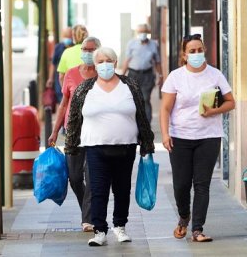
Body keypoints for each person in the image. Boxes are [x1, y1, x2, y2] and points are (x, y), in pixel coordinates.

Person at [65, 47, 155, 247]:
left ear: (115, 63)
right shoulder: (84, 89)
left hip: (126, 146)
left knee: (122, 190)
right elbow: (73, 119)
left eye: (109, 60)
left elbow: (141, 114)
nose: (105, 64)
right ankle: (99, 230)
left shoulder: (130, 85)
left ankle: (120, 226)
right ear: (95, 65)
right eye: (101, 61)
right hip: (95, 148)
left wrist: (147, 143)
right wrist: (71, 146)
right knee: (98, 190)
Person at [159, 34, 236, 243]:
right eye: (191, 51)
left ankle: (197, 229)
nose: (196, 54)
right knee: (181, 185)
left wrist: (213, 111)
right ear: (184, 55)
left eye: (199, 50)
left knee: (202, 184)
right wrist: (165, 134)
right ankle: (184, 216)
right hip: (180, 136)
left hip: (208, 137)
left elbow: (231, 102)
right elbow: (165, 108)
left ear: (204, 51)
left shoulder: (215, 75)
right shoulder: (176, 77)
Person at [47, 36, 101, 232]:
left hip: (96, 132)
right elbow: (63, 105)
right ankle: (90, 210)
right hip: (73, 132)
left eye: (92, 49)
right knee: (75, 177)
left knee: (92, 174)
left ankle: (88, 218)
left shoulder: (103, 74)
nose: (87, 53)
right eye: (85, 49)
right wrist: (54, 132)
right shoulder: (70, 74)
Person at [120, 23, 163, 123]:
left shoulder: (153, 44)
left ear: (148, 32)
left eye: (144, 32)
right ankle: (136, 122)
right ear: (137, 33)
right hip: (133, 74)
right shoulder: (131, 43)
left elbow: (157, 62)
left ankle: (147, 124)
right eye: (140, 32)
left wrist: (160, 75)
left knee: (145, 98)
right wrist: (122, 75)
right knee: (134, 99)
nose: (142, 34)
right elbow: (127, 60)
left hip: (147, 75)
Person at [46, 27, 73, 104]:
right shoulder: (58, 47)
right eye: (66, 36)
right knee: (60, 100)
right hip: (59, 79)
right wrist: (50, 78)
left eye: (69, 36)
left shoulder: (75, 47)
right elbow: (53, 63)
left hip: (71, 78)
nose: (68, 38)